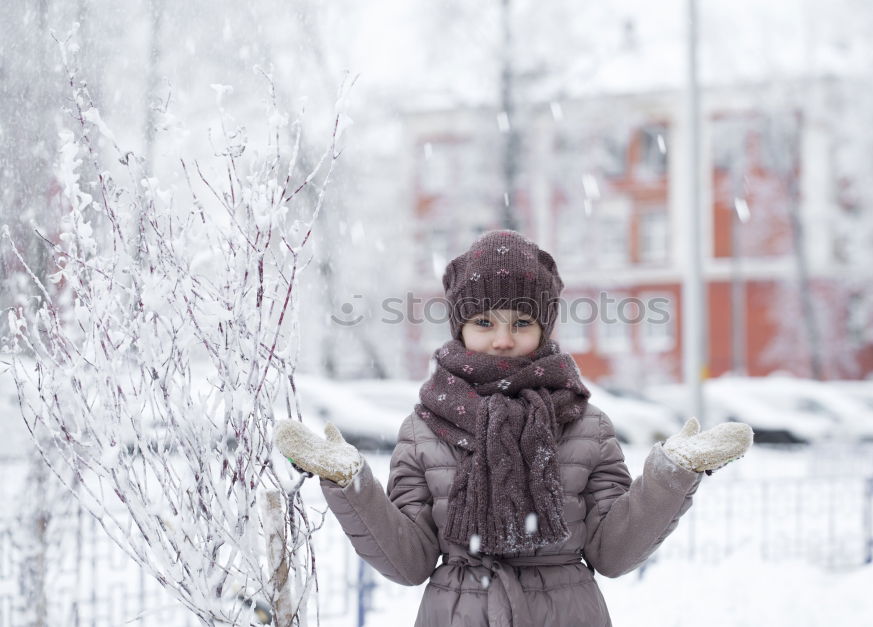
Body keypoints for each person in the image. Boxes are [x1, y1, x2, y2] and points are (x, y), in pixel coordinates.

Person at [275, 230, 753, 626]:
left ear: (543, 328)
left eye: (521, 321)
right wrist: (349, 485)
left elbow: (613, 553)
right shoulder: (424, 429)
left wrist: (673, 474)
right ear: (459, 326)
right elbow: (409, 561)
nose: (503, 339)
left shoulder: (588, 426)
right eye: (484, 320)